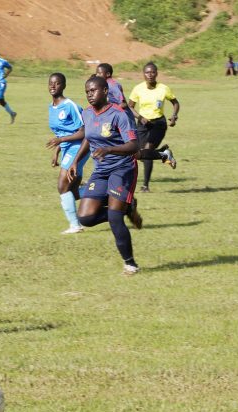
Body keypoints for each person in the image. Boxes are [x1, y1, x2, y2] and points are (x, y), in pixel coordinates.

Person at [68, 76, 144, 274]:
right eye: (87, 91)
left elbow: (134, 146)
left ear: (104, 91)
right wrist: (75, 161)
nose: (89, 94)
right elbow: (88, 137)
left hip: (123, 168)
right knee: (86, 217)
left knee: (114, 218)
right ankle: (127, 208)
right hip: (101, 170)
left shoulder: (119, 114)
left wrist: (110, 150)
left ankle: (130, 264)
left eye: (93, 90)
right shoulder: (87, 113)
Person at [44, 73, 86, 234]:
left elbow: (84, 131)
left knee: (62, 185)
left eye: (57, 83)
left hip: (80, 147)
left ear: (64, 86)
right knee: (72, 191)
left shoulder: (70, 106)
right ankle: (103, 192)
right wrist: (57, 151)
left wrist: (60, 141)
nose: (53, 86)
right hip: (68, 148)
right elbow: (62, 132)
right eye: (51, 83)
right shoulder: (51, 107)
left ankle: (75, 225)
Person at [127, 61, 178, 193]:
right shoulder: (138, 88)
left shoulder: (163, 88)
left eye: (152, 72)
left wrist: (174, 116)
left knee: (148, 149)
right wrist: (140, 118)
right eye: (147, 72)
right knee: (140, 154)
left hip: (158, 123)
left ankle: (145, 186)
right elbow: (130, 106)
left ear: (156, 73)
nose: (150, 74)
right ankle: (163, 154)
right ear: (143, 74)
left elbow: (175, 103)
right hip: (143, 124)